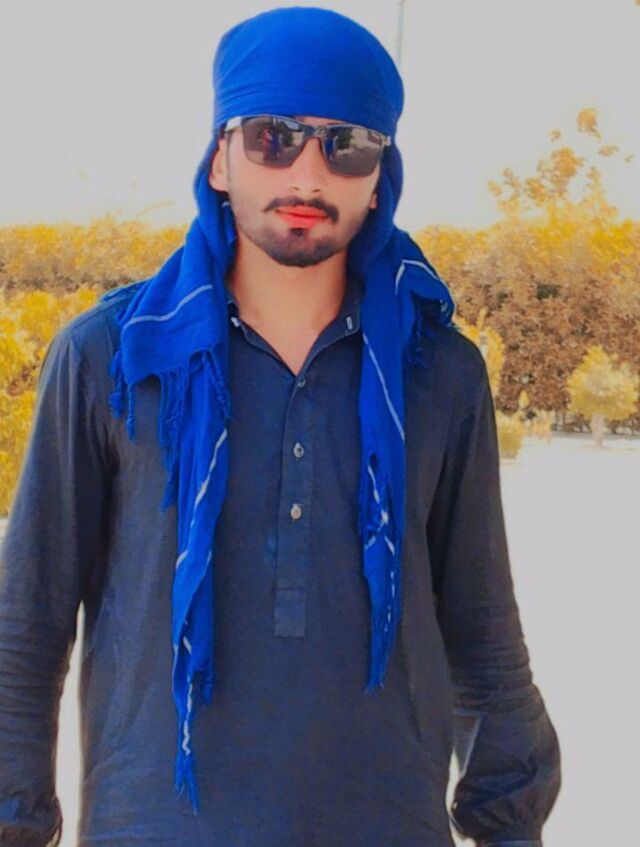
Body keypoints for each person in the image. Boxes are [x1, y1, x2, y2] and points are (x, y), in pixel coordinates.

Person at [0, 7, 561, 847]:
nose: (307, 173)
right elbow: (27, 623)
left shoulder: (438, 373)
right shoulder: (112, 356)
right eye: (274, 137)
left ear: (380, 176)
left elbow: (481, 627)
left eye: (346, 145)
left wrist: (511, 822)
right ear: (220, 159)